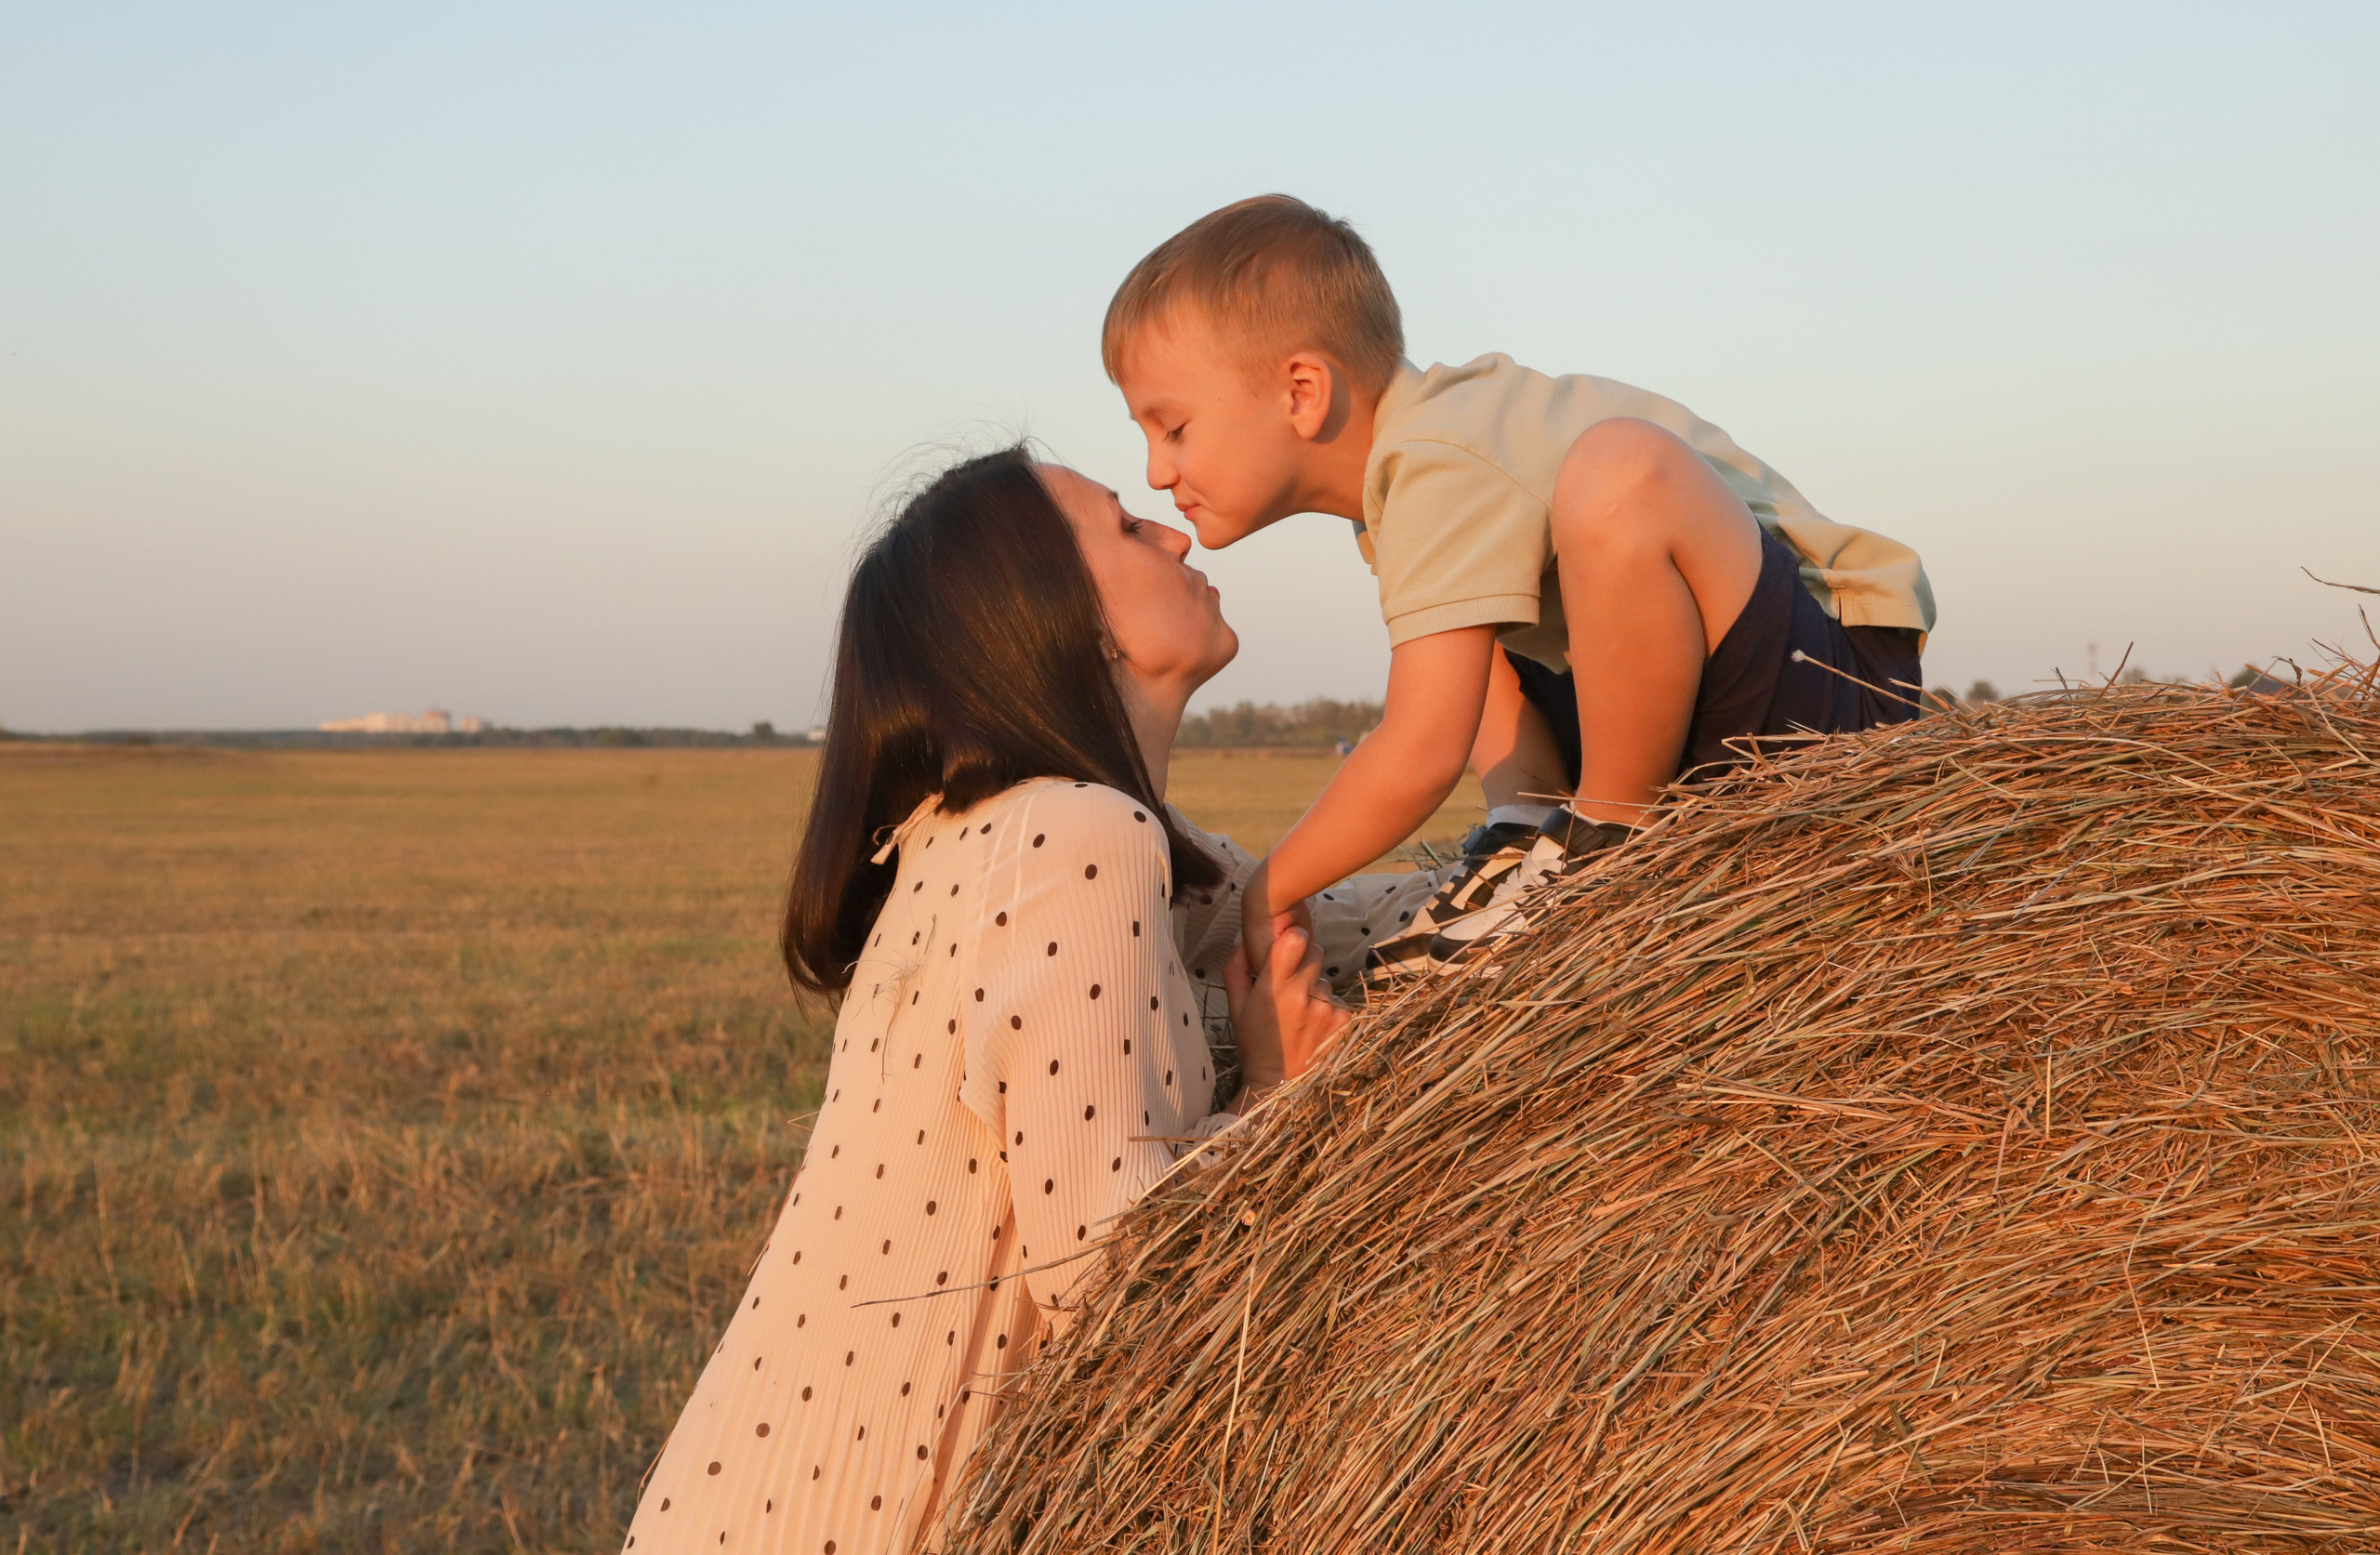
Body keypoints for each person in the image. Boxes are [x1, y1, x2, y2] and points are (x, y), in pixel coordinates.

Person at [621, 448, 1435, 1554]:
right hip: (870, 1514)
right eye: (1128, 529)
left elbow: (1346, 916)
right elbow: (1109, 1272)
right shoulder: (1071, 837)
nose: (1179, 535)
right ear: (1054, 610)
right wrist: (1282, 1089)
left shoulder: (1046, 833)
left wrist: (1600, 843)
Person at [1103, 194, 1937, 976]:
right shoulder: (1393, 504)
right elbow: (1463, 692)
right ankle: (1528, 825)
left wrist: (1271, 889)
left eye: (1173, 427)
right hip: (1691, 706)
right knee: (1449, 616)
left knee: (1618, 469)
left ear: (1303, 393)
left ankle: (1605, 838)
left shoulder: (1440, 451)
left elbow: (1420, 746)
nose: (1156, 468)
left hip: (1828, 682)